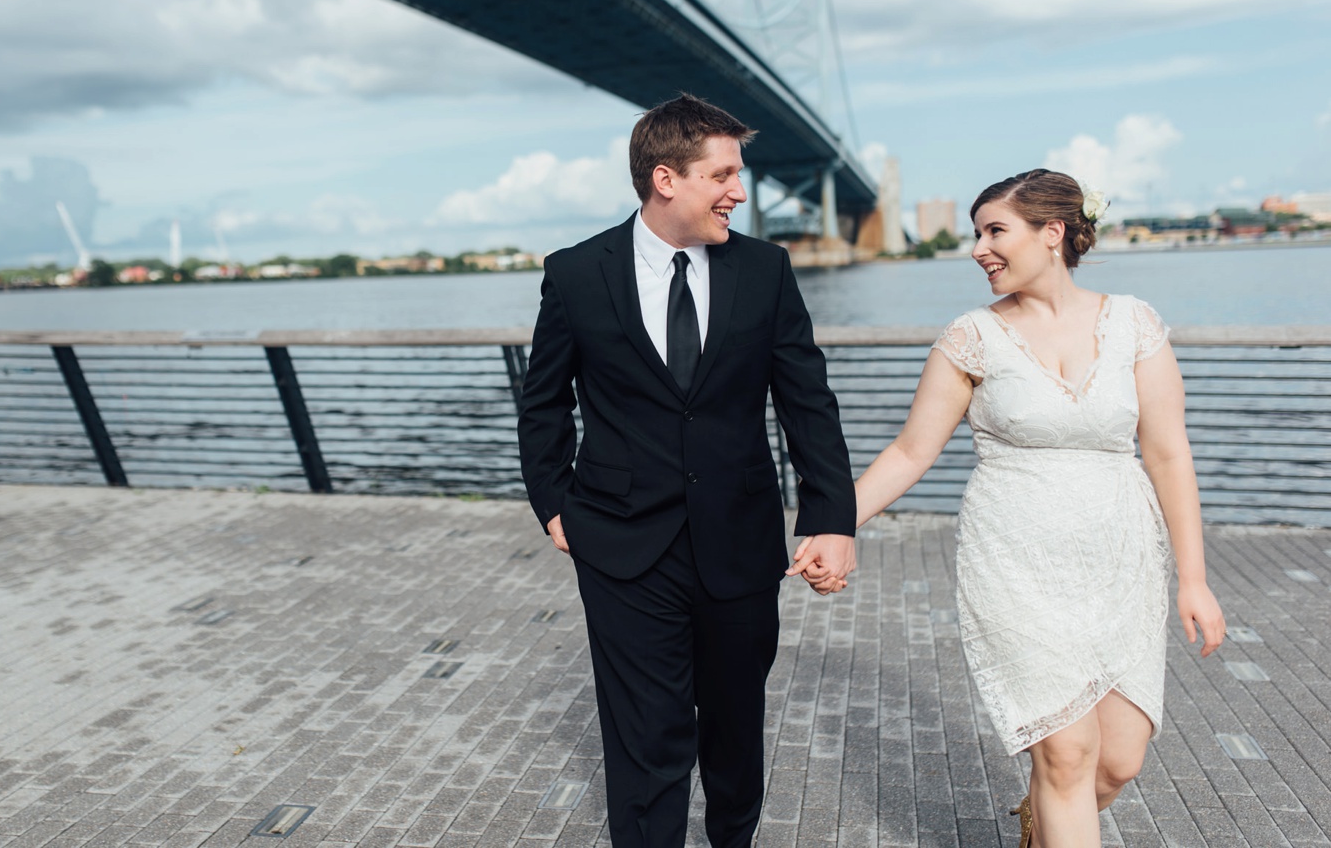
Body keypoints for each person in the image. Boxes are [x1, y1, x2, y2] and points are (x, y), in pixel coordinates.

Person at [802, 169, 1225, 847]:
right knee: (1066, 755)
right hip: (1015, 566)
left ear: (1052, 232)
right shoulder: (971, 338)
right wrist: (831, 522)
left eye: (994, 230)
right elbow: (911, 453)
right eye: (977, 233)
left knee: (1118, 760)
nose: (977, 248)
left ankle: (1037, 823)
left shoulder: (1135, 325)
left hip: (1121, 565)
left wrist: (1195, 578)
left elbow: (1170, 454)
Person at [517, 93, 858, 848]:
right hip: (620, 545)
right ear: (665, 178)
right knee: (647, 738)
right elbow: (542, 403)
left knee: (734, 733)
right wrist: (554, 504)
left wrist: (831, 517)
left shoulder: (764, 270)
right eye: (725, 173)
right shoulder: (575, 273)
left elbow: (808, 401)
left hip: (738, 543)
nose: (740, 190)